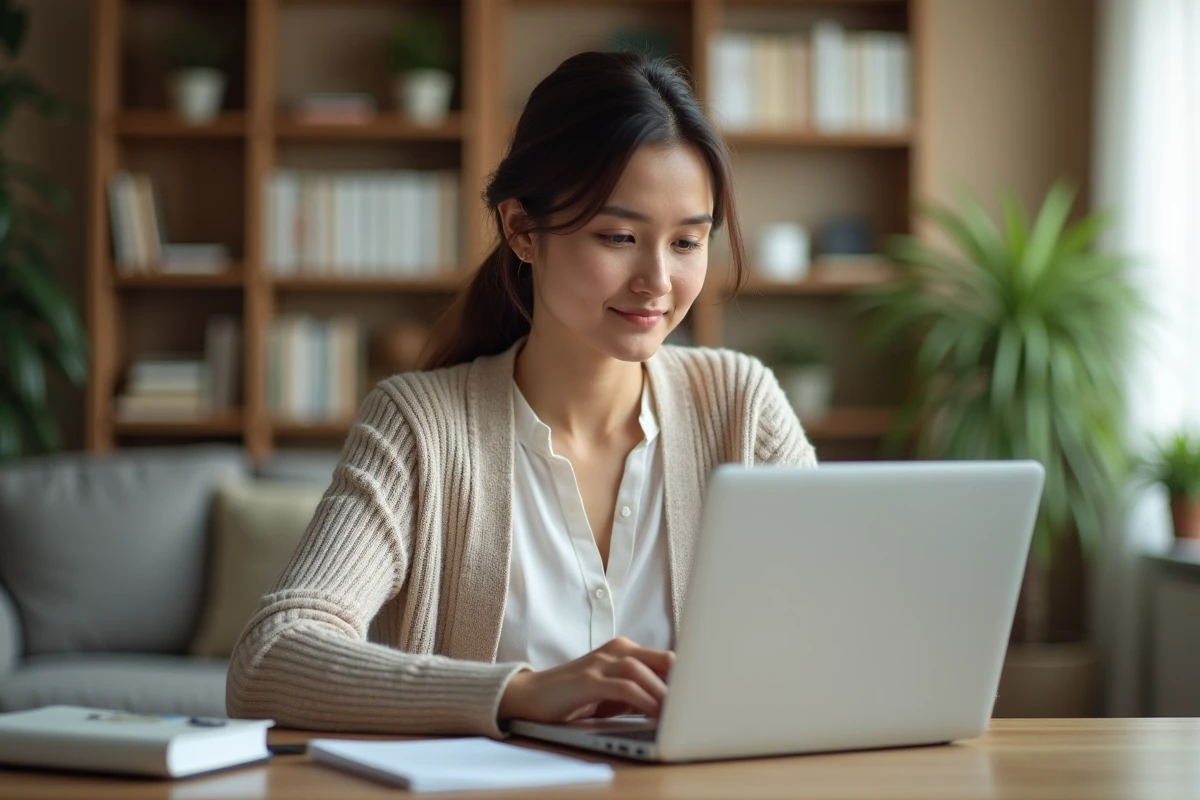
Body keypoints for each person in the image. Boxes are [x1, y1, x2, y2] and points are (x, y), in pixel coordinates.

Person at [226, 51, 817, 737]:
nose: (658, 279)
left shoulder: (741, 406)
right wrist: (519, 692)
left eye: (688, 241)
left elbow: (842, 622)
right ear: (521, 230)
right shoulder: (421, 427)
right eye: (620, 237)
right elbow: (270, 659)